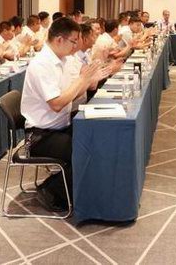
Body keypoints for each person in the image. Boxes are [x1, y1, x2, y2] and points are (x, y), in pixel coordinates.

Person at [21, 17, 105, 212]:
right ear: (59, 39)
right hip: (40, 135)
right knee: (85, 149)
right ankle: (51, 190)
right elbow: (57, 104)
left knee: (98, 137)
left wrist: (87, 80)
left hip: (60, 126)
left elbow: (72, 93)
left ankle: (76, 189)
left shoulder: (64, 60)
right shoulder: (41, 64)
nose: (76, 46)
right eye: (74, 41)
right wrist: (83, 79)